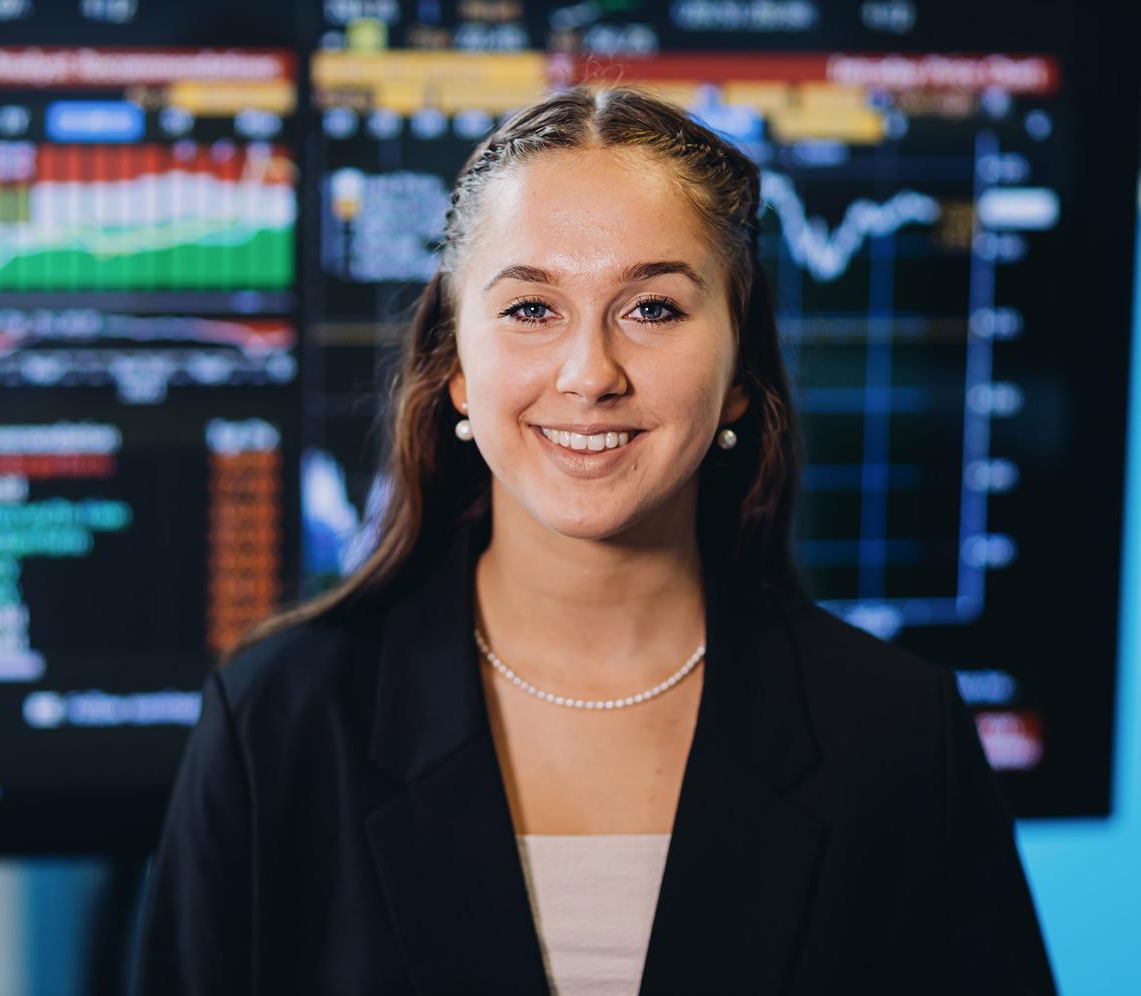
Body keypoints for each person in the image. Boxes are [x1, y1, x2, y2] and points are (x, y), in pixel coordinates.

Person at [132, 85, 1057, 995]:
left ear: (739, 373)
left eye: (653, 308)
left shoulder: (900, 734)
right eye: (532, 309)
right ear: (456, 368)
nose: (589, 375)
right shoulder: (280, 724)